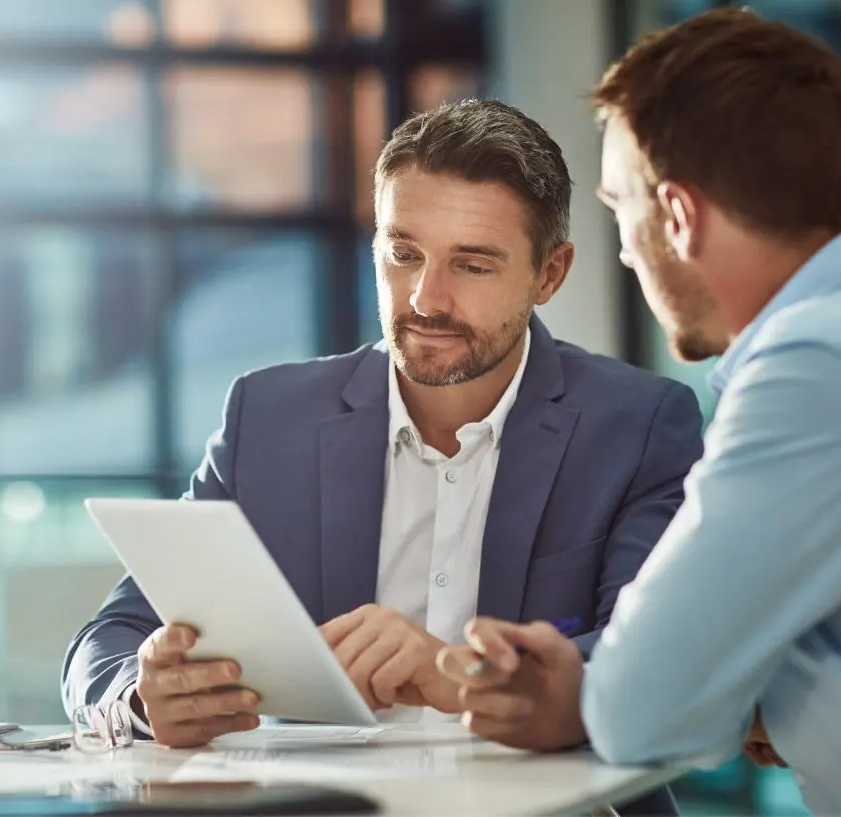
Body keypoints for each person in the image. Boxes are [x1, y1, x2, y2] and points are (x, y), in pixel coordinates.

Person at [62, 100, 701, 780]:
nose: (426, 297)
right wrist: (142, 694)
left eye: (473, 265)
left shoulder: (638, 423)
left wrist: (452, 674)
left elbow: (655, 662)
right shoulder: (269, 417)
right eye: (403, 254)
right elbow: (107, 642)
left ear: (550, 273)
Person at [436, 9, 841, 816]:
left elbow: (643, 706)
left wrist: (591, 693)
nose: (625, 250)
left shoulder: (811, 367)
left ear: (677, 215)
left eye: (619, 208)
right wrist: (762, 696)